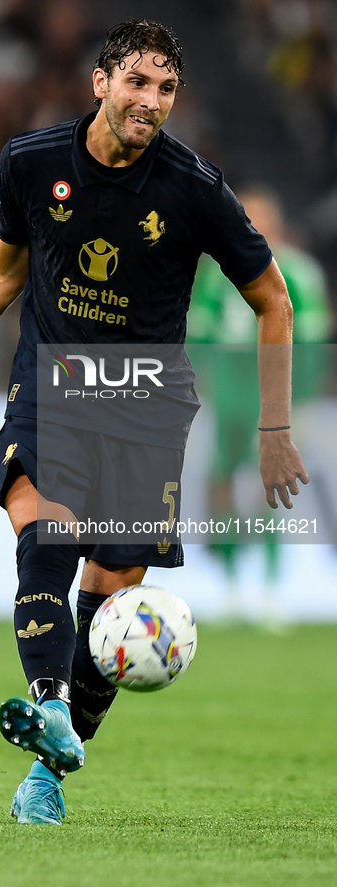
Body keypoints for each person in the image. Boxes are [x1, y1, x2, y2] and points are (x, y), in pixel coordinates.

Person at [0, 21, 308, 825]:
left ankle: (51, 765)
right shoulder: (30, 162)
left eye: (164, 89)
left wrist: (273, 430)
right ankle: (46, 698)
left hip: (145, 405)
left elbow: (273, 300)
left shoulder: (194, 189)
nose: (149, 102)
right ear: (100, 81)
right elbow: (2, 273)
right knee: (43, 528)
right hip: (51, 387)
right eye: (136, 83)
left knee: (111, 610)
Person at [187, 185, 331, 623]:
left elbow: (311, 343)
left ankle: (270, 590)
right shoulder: (217, 273)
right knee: (223, 487)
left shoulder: (298, 273)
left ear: (278, 225)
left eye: (263, 220)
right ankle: (231, 587)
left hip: (272, 399)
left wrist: (297, 404)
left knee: (267, 491)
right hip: (229, 394)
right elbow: (199, 333)